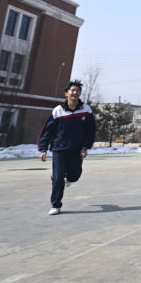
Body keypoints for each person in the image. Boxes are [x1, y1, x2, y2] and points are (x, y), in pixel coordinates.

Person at [38, 81, 97, 215]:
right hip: (59, 148)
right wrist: (43, 149)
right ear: (66, 93)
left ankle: (67, 178)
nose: (75, 92)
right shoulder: (58, 110)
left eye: (78, 90)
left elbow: (91, 130)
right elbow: (47, 130)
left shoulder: (86, 110)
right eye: (72, 90)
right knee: (58, 177)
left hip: (76, 149)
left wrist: (85, 147)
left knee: (74, 176)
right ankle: (56, 205)